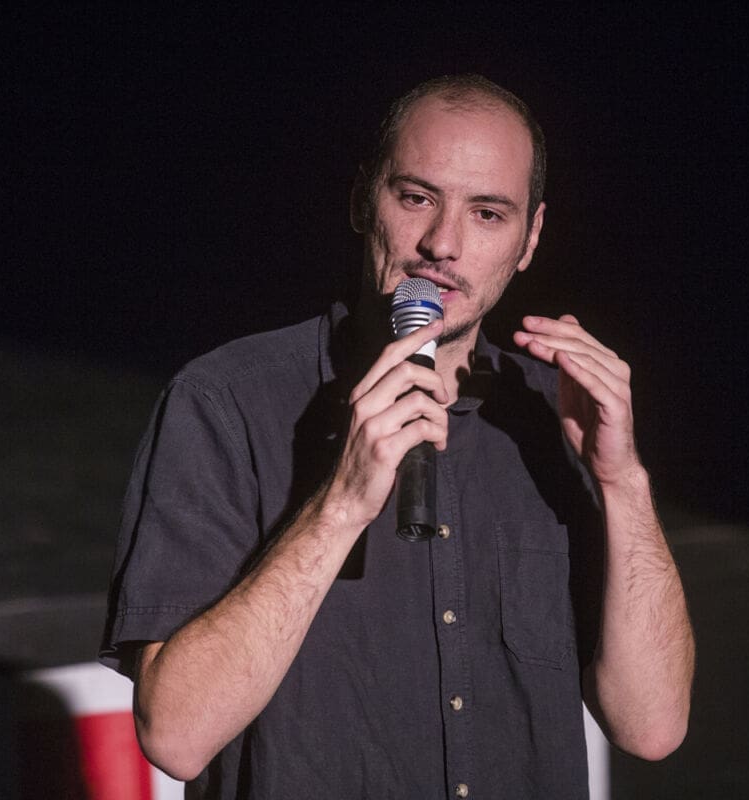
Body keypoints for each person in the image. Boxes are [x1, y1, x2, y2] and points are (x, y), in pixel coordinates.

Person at [100, 73, 694, 798]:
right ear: (362, 200)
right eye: (416, 198)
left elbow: (653, 727)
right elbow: (176, 736)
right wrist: (340, 506)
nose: (442, 244)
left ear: (530, 238)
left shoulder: (555, 414)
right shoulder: (227, 401)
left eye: (487, 214)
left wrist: (623, 482)